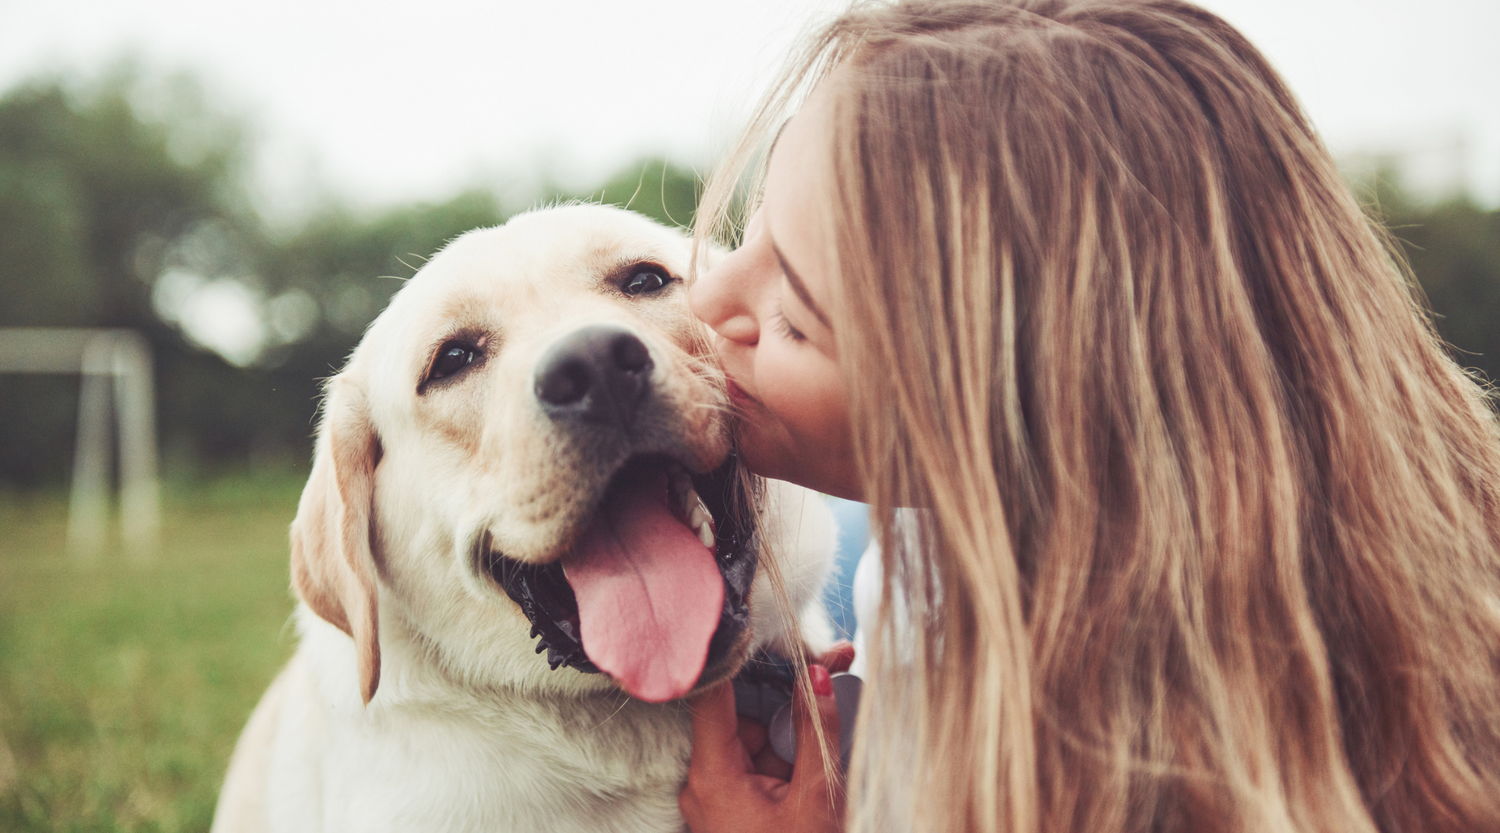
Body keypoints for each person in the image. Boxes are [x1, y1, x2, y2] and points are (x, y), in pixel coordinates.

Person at [677, 1, 1500, 832]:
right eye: (755, 231)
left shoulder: (1143, 782)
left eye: (795, 315)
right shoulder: (929, 565)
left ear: (1004, 417)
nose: (707, 297)